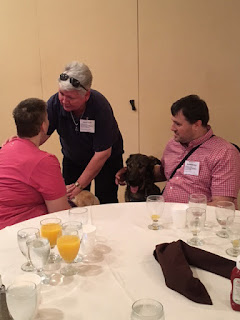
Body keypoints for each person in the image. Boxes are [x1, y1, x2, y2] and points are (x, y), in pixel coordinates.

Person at [116, 95, 240, 206]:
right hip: (164, 214)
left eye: (178, 124)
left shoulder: (225, 153)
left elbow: (222, 205)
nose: (172, 128)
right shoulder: (173, 144)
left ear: (197, 124)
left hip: (196, 222)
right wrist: (129, 173)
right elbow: (165, 172)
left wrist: (183, 212)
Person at [42, 61, 124, 204]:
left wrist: (79, 185)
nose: (64, 101)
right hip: (73, 158)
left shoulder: (99, 107)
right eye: (61, 94)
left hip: (106, 160)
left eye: (71, 98)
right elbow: (41, 134)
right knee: (70, 200)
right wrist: (21, 143)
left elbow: (103, 153)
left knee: (106, 201)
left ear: (86, 96)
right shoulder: (55, 103)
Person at [0, 98, 70, 229]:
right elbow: (60, 213)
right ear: (43, 126)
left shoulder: (5, 148)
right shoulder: (44, 161)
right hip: (21, 231)